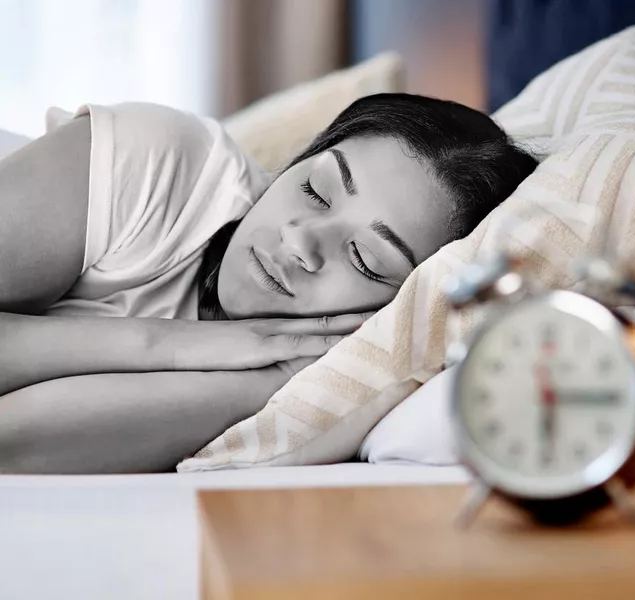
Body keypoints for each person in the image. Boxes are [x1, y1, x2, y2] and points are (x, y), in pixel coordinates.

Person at [0, 94, 537, 473]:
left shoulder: (311, 374)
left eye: (365, 259)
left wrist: (270, 377)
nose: (302, 240)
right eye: (317, 190)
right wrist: (167, 342)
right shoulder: (157, 166)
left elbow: (11, 441)